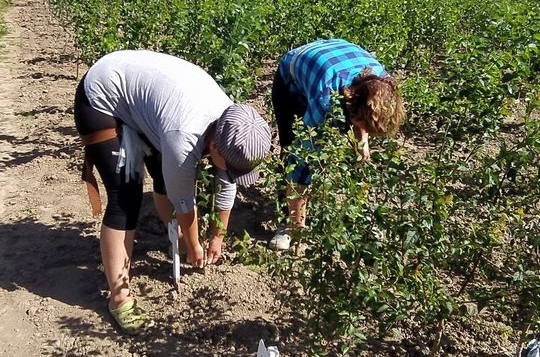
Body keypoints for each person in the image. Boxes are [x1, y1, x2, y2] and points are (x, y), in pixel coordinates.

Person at [74, 49, 272, 334]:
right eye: (228, 165)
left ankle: (175, 238)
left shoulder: (234, 124)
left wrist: (217, 235)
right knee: (126, 198)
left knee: (165, 176)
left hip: (144, 100)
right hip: (102, 98)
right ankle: (119, 299)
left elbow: (226, 177)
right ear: (214, 146)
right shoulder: (184, 135)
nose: (229, 173)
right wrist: (194, 247)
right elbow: (184, 202)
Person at [269, 38, 405, 251]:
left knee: (360, 152)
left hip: (338, 58)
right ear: (351, 107)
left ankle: (361, 216)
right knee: (291, 148)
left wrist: (363, 144)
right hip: (292, 75)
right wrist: (299, 228)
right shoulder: (326, 99)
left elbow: (365, 121)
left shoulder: (383, 83)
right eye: (364, 125)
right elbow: (301, 161)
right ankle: (288, 223)